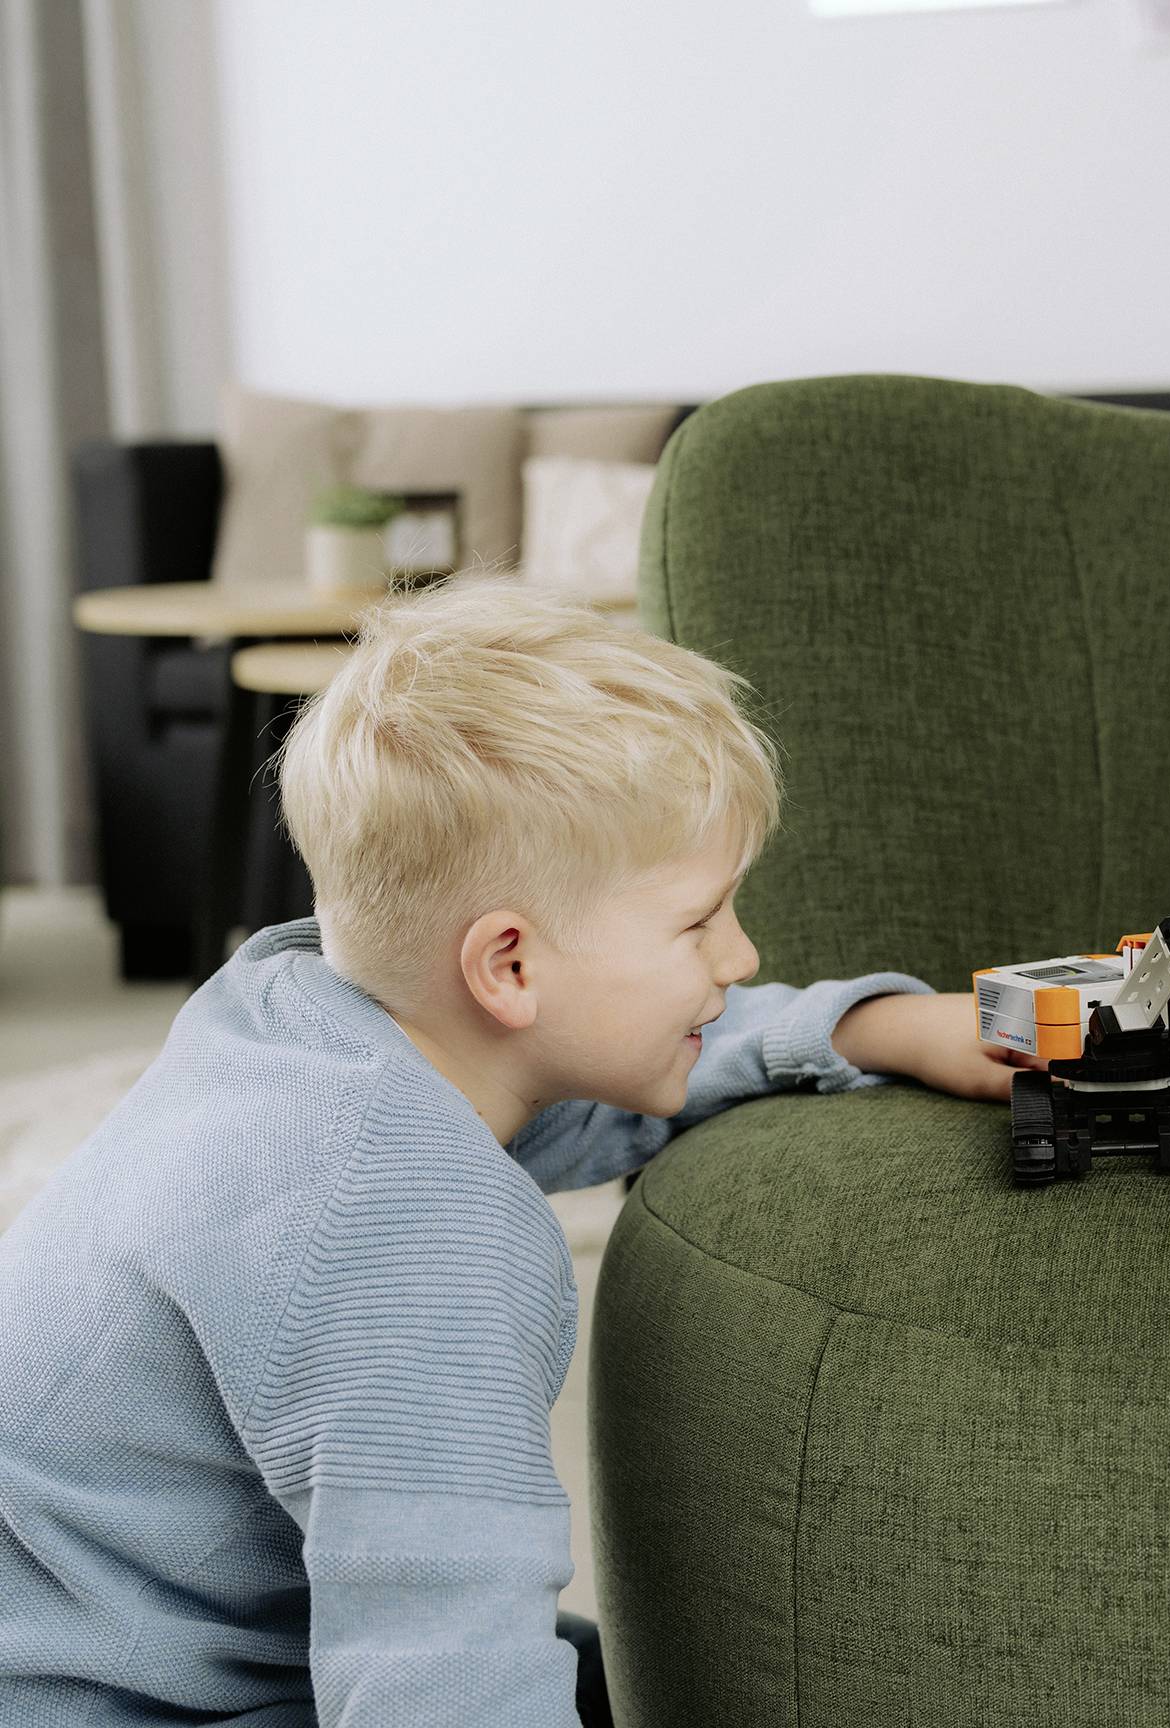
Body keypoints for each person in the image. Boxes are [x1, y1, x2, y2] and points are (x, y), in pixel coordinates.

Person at [0, 584, 1028, 1726]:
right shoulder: (416, 1237)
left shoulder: (296, 1015)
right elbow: (440, 1676)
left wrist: (873, 1026)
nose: (740, 954)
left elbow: (573, 1089)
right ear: (509, 968)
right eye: (700, 921)